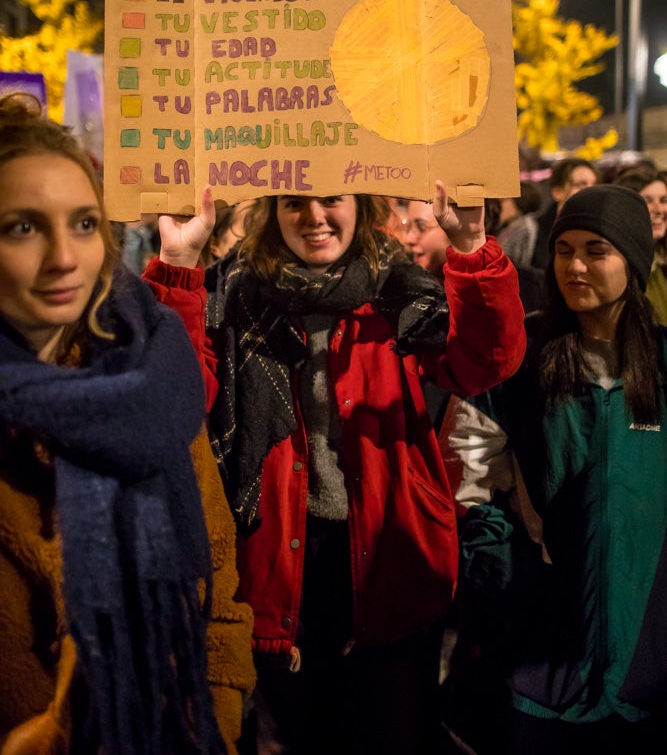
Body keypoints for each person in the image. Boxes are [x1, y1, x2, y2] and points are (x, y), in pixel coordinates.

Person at [145, 183, 526, 755]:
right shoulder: (233, 291)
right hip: (277, 561)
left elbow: (483, 363)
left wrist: (471, 246)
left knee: (394, 736)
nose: (315, 216)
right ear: (272, 213)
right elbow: (173, 396)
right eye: (294, 202)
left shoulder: (397, 289)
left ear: (362, 207)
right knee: (305, 736)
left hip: (391, 555)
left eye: (331, 199)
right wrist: (178, 267)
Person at [0, 93, 254, 754]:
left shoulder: (149, 375)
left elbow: (217, 583)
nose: (64, 257)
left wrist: (214, 717)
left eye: (83, 223)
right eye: (22, 228)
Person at [441, 185, 667, 753]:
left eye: (596, 250)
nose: (574, 265)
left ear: (633, 262)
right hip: (541, 655)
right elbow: (469, 462)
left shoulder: (662, 361)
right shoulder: (524, 356)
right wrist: (494, 558)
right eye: (564, 249)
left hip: (648, 660)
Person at [614, 165, 667, 325]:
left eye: (664, 200)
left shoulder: (660, 259)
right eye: (647, 201)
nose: (658, 209)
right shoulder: (617, 264)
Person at [530, 157, 598, 271]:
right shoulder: (532, 230)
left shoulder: (599, 231)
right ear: (557, 192)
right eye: (580, 185)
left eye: (594, 185)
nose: (590, 192)